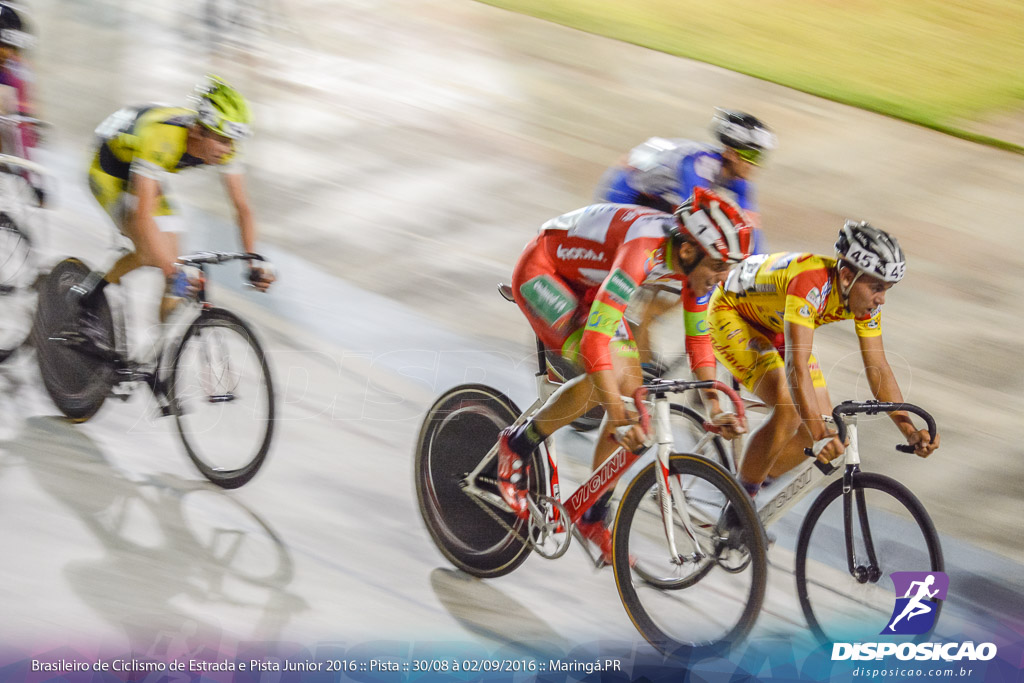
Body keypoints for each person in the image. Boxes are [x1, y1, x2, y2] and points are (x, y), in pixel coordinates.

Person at [497, 187, 752, 564]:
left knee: (636, 397)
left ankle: (591, 514)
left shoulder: (694, 261)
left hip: (588, 284)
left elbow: (699, 339)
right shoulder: (644, 250)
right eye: (718, 266)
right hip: (544, 272)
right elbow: (594, 344)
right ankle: (517, 443)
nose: (722, 275)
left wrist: (714, 404)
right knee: (611, 386)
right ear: (688, 250)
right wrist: (616, 418)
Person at [707, 221, 940, 499]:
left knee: (825, 423)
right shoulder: (810, 283)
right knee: (793, 409)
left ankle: (753, 487)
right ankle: (737, 504)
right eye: (877, 287)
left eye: (887, 289)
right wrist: (820, 436)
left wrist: (908, 430)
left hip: (777, 321)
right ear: (846, 277)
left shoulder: (862, 298)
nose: (881, 300)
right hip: (733, 313)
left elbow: (877, 367)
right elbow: (797, 367)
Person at [71, 75, 274, 338]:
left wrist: (252, 261)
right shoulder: (162, 138)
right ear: (198, 130)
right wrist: (172, 271)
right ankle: (91, 297)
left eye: (233, 142)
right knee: (152, 254)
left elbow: (243, 208)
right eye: (222, 140)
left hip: (143, 169)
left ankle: (161, 355)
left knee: (174, 259)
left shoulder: (224, 144)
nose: (228, 150)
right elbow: (141, 218)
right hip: (108, 169)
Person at [595, 108, 776, 369]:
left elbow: (752, 231)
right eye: (750, 155)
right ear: (730, 152)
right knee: (686, 264)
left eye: (760, 156)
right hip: (625, 194)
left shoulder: (740, 178)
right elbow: (696, 224)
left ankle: (646, 318)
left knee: (702, 267)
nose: (755, 164)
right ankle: (638, 322)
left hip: (656, 198)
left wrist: (760, 270)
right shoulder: (695, 166)